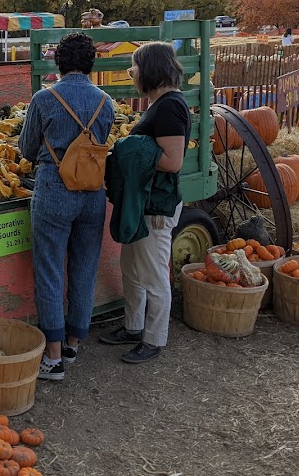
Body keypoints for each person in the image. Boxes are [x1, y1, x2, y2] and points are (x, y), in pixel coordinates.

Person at [19, 32, 114, 381]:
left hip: (54, 192)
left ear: (58, 63)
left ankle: (53, 358)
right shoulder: (107, 102)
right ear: (91, 63)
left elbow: (28, 149)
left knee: (49, 270)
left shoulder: (44, 100)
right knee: (85, 267)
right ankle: (73, 343)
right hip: (93, 193)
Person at [100, 42, 190, 363]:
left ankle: (154, 339)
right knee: (132, 268)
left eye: (134, 68)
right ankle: (133, 326)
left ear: (150, 70)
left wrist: (127, 150)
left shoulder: (170, 107)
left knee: (152, 274)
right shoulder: (159, 104)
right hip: (143, 202)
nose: (132, 74)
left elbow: (173, 160)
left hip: (157, 204)